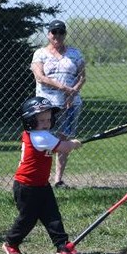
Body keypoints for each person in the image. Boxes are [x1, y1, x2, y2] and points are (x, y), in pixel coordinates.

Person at [2, 96, 83, 254]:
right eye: (41, 120)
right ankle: (11, 243)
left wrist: (59, 139)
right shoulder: (40, 136)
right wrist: (73, 144)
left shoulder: (43, 135)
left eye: (48, 119)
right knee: (28, 218)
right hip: (26, 186)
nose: (46, 123)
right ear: (30, 121)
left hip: (41, 184)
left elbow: (52, 146)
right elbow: (64, 148)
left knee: (52, 214)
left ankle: (62, 245)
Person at [31, 19, 86, 188]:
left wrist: (72, 94)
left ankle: (58, 180)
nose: (58, 36)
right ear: (48, 34)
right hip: (46, 106)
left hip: (70, 105)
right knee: (44, 140)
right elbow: (40, 77)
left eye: (61, 32)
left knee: (64, 140)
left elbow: (82, 76)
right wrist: (63, 87)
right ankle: (40, 178)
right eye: (54, 32)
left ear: (65, 34)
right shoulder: (40, 53)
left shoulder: (75, 54)